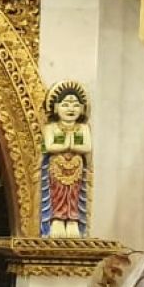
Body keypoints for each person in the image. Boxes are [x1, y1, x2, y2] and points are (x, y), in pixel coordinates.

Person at [40, 80, 91, 238]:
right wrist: (70, 144)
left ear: (82, 109)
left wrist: (68, 144)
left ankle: (72, 221)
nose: (71, 109)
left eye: (75, 105)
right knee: (58, 193)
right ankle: (57, 220)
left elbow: (87, 147)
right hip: (56, 168)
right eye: (66, 104)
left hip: (76, 169)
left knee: (73, 194)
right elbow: (47, 147)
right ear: (55, 107)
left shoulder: (83, 128)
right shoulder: (51, 128)